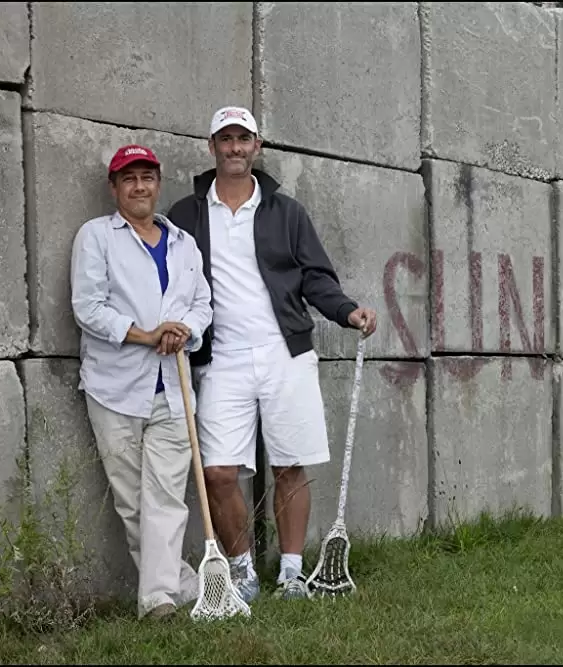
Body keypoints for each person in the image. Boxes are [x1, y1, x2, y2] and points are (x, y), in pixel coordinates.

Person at [166, 106, 377, 602]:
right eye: (226, 139)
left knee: (289, 465)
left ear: (257, 147)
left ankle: (289, 573)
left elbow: (315, 277)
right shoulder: (186, 214)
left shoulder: (287, 211)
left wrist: (347, 312)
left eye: (244, 139)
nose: (235, 147)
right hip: (220, 358)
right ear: (211, 146)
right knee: (217, 473)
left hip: (285, 353)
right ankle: (241, 572)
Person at [69, 144, 213, 620]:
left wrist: (184, 329)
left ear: (158, 182)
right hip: (116, 390)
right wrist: (145, 335)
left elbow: (202, 304)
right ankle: (184, 584)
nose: (139, 186)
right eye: (128, 178)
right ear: (115, 188)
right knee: (133, 503)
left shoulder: (183, 244)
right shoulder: (97, 237)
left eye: (147, 177)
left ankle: (157, 602)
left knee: (167, 496)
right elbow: (88, 308)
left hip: (173, 390)